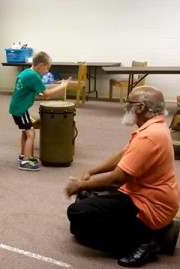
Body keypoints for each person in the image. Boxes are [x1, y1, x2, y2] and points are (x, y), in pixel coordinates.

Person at [65, 85, 179, 267]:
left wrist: (80, 185)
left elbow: (116, 180)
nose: (125, 106)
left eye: (129, 102)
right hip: (142, 194)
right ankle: (153, 231)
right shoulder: (154, 127)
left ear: (141, 107)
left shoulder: (149, 137)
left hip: (150, 205)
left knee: (76, 213)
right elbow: (122, 156)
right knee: (83, 205)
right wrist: (91, 172)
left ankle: (146, 241)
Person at [9, 51, 70, 171]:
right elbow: (46, 93)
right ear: (40, 65)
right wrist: (62, 87)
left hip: (17, 107)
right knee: (31, 134)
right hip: (20, 109)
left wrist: (41, 92)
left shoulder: (27, 72)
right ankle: (25, 161)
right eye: (47, 68)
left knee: (25, 131)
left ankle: (24, 155)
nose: (47, 71)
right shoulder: (34, 76)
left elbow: (34, 90)